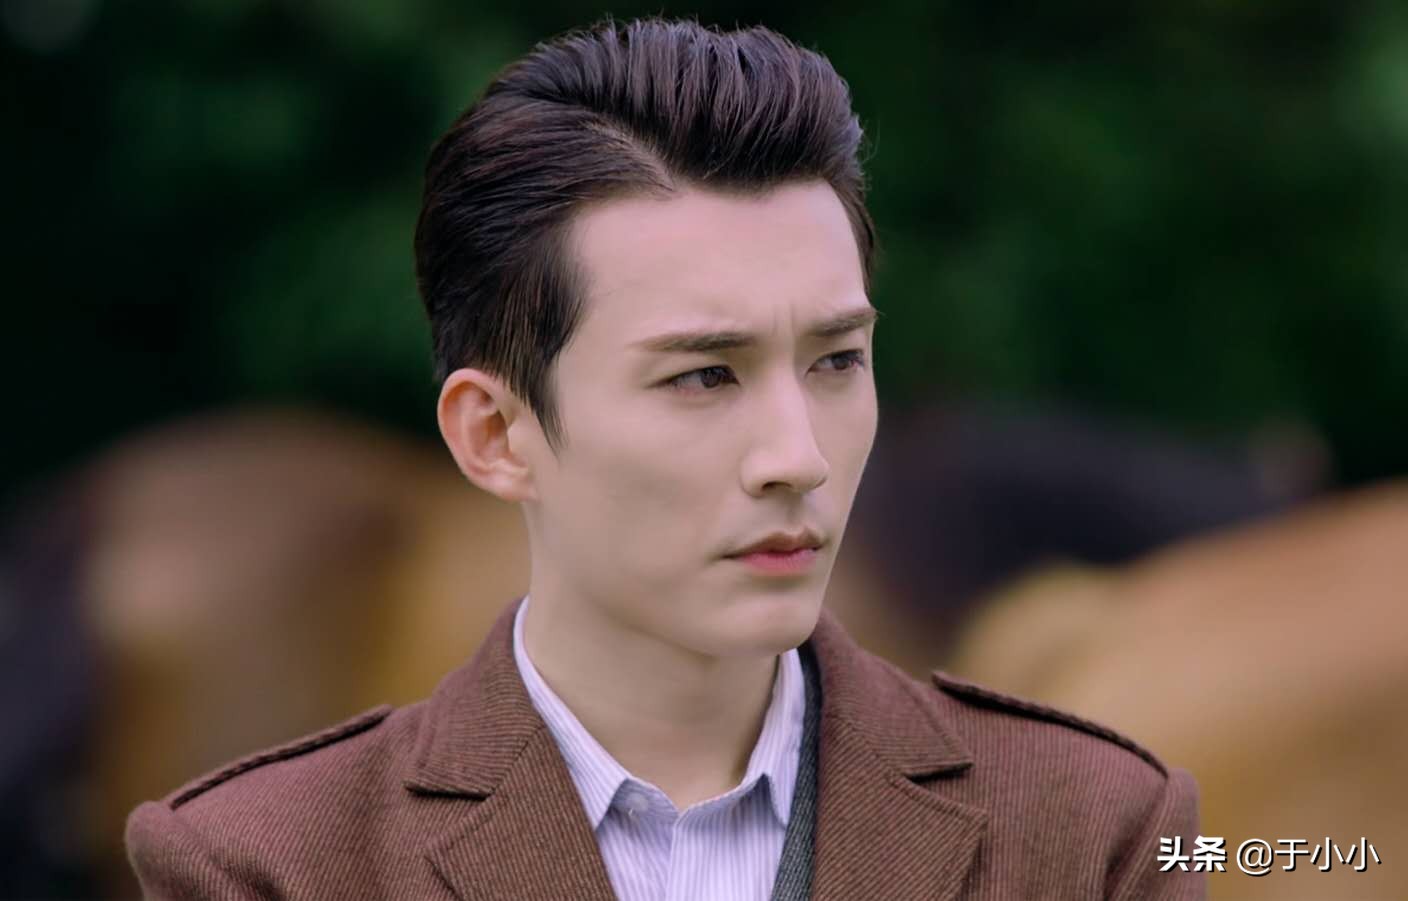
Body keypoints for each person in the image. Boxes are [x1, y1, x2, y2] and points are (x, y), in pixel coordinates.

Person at [125, 16, 1202, 900]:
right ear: (494, 434)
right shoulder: (262, 866)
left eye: (836, 361)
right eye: (704, 376)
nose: (798, 457)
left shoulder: (1096, 829)